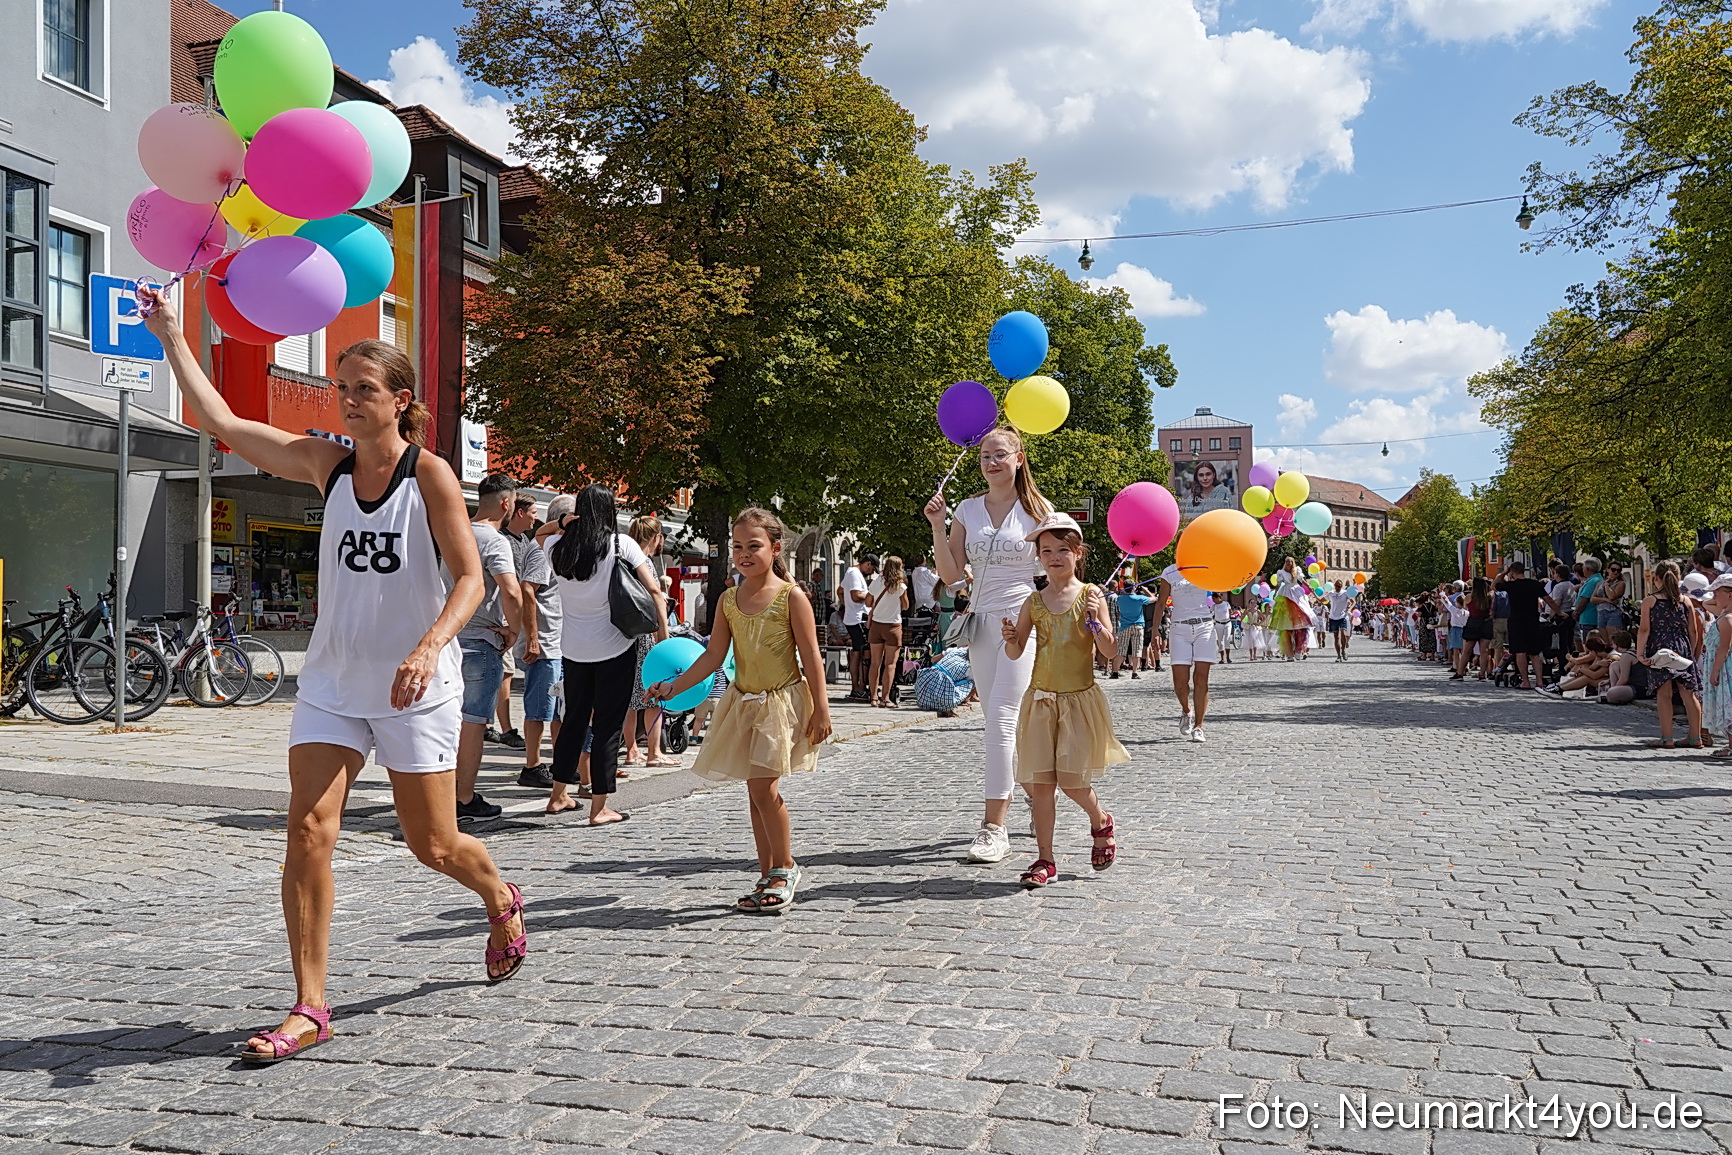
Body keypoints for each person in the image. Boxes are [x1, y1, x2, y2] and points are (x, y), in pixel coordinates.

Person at [141, 293, 527, 1062]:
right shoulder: (328, 466)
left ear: (400, 400)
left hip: (416, 686)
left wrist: (430, 647)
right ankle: (310, 1004)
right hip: (333, 683)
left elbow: (470, 579)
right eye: (341, 388)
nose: (348, 400)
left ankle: (499, 896)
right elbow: (224, 421)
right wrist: (172, 334)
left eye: (364, 389)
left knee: (434, 843)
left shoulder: (430, 476)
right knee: (308, 831)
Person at [648, 508, 832, 913]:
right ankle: (767, 874)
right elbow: (713, 656)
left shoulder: (791, 596)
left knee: (764, 789)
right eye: (737, 546)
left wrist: (822, 709)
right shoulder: (729, 600)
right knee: (755, 792)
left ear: (775, 548)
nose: (744, 554)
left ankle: (785, 868)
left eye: (754, 546)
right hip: (743, 702)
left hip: (780, 704)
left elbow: (811, 656)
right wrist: (673, 687)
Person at [925, 426, 1052, 864]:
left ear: (1018, 458)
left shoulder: (1039, 510)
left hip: (1022, 622)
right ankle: (1035, 792)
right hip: (980, 624)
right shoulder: (967, 508)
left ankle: (993, 827)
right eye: (984, 456)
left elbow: (1058, 567)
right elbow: (951, 575)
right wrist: (938, 526)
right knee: (1000, 720)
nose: (991, 462)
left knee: (1000, 715)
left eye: (1000, 454)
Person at [999, 514, 1127, 889]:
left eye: (1062, 550)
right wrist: (1010, 638)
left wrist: (1097, 625)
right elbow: (1015, 652)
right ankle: (1045, 858)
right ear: (1039, 556)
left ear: (1077, 553)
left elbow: (1110, 652)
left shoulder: (1091, 595)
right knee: (1041, 785)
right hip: (1040, 701)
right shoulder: (1034, 601)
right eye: (1046, 551)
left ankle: (1100, 820)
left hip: (1078, 703)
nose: (1054, 557)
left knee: (1072, 783)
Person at [544, 485, 668, 822]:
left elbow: (540, 533)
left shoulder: (557, 546)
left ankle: (558, 796)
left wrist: (564, 523)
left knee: (573, 722)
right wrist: (663, 637)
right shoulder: (620, 544)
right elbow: (653, 589)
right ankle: (599, 807)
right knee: (608, 726)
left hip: (573, 649)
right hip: (615, 646)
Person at [450, 473, 524, 821]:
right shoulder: (495, 541)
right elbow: (511, 590)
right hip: (481, 639)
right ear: (506, 504)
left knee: (447, 721)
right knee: (473, 723)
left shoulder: (454, 530)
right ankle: (463, 798)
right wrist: (514, 630)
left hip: (448, 637)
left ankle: (439, 795)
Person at [623, 516, 679, 769]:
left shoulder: (625, 561)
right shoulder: (645, 562)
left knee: (630, 699)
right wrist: (663, 636)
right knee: (654, 693)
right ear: (657, 538)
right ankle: (654, 752)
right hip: (646, 635)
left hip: (626, 635)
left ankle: (631, 750)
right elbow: (656, 600)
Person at [515, 506, 564, 789]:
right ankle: (532, 766)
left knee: (559, 709)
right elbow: (527, 589)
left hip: (559, 642)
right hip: (545, 643)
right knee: (539, 708)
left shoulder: (556, 548)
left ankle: (561, 763)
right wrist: (533, 637)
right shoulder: (541, 549)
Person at [1637, 560, 1705, 749]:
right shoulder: (1685, 600)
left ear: (1656, 578)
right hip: (1682, 647)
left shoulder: (1650, 601)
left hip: (1660, 648)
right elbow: (1693, 631)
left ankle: (1666, 738)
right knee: (1688, 694)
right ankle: (1695, 737)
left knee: (1663, 693)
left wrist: (1640, 653)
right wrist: (1691, 654)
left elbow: (1644, 629)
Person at [491, 495, 539, 750]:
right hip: (503, 614)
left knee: (503, 671)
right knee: (505, 672)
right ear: (520, 512)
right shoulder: (503, 540)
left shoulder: (526, 541)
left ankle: (487, 724)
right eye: (533, 512)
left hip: (515, 614)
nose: (535, 517)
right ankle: (505, 729)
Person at [1155, 561, 1216, 743]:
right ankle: (1186, 710)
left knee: (1201, 678)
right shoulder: (1169, 571)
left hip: (1204, 626)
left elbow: (1228, 574)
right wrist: (1155, 630)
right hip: (1179, 628)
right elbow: (1161, 602)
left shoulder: (1206, 568)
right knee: (1180, 682)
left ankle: (1199, 726)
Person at [1497, 561, 1557, 690]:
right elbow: (1549, 600)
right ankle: (1539, 681)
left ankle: (1525, 681)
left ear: (1512, 572)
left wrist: (1504, 573)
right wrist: (1559, 611)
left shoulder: (1511, 585)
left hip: (1516, 621)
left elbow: (1494, 585)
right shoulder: (1535, 584)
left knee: (1520, 652)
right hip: (1532, 621)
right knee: (1534, 652)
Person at [866, 555, 909, 708]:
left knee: (875, 663)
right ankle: (885, 698)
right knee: (890, 664)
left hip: (877, 625)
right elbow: (906, 606)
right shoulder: (901, 586)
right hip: (893, 626)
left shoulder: (876, 582)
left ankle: (873, 697)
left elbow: (868, 602)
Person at [1697, 575, 1732, 756]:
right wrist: (1718, 594)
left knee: (1728, 705)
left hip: (1725, 667)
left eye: (1717, 593)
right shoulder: (1724, 614)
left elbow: (1724, 648)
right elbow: (1706, 603)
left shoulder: (1727, 619)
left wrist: (1715, 671)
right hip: (1721, 664)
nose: (1714, 597)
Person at [839, 556, 875, 702]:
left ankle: (857, 687)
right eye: (872, 569)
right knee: (863, 653)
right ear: (868, 564)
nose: (871, 573)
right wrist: (872, 596)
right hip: (858, 619)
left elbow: (840, 591)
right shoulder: (854, 573)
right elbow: (855, 596)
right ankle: (859, 688)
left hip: (854, 617)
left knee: (856, 651)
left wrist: (846, 606)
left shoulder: (851, 572)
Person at [1270, 559, 1315, 659]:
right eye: (1287, 562)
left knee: (1301, 612)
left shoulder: (1297, 570)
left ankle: (1298, 651)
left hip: (1296, 591)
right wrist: (1275, 593)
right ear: (1285, 563)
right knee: (1286, 628)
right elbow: (1278, 584)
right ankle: (1289, 654)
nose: (1288, 563)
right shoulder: (1281, 572)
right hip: (1285, 592)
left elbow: (1302, 581)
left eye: (1290, 562)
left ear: (1292, 563)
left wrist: (1309, 587)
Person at [1458, 577, 1495, 680]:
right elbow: (1493, 589)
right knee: (1484, 651)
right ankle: (1482, 674)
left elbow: (1465, 606)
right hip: (1486, 622)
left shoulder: (1469, 597)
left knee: (1466, 651)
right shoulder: (1489, 596)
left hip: (1473, 623)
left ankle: (1460, 673)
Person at [1112, 580, 1150, 679]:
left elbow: (1119, 598)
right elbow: (1154, 599)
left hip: (1124, 626)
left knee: (1121, 650)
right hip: (1138, 626)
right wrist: (1145, 589)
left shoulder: (1120, 599)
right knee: (1137, 650)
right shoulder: (1139, 598)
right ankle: (1134, 672)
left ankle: (1115, 672)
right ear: (1134, 587)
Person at [1573, 557, 1604, 646]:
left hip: (1589, 617)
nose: (1582, 570)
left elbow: (1585, 599)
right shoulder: (1594, 579)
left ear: (1587, 569)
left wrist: (1577, 612)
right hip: (1589, 617)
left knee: (1589, 643)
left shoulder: (1593, 581)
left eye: (1583, 568)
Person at [1325, 580, 1355, 662]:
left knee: (1344, 634)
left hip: (1342, 617)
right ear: (1334, 586)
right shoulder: (1331, 593)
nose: (1338, 588)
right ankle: (1338, 655)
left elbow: (1353, 602)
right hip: (1333, 617)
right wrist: (1313, 593)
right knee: (1336, 637)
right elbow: (1321, 600)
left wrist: (1349, 608)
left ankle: (1343, 650)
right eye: (1337, 586)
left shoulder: (1345, 593)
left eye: (1340, 586)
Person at [1593, 562, 1627, 633]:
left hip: (1613, 612)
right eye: (1613, 569)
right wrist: (1605, 599)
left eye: (1618, 570)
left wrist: (1607, 585)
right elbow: (1593, 599)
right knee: (1603, 637)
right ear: (1608, 570)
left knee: (1613, 636)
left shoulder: (1621, 583)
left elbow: (1612, 597)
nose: (1615, 572)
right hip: (1601, 612)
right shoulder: (1600, 583)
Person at [1211, 594, 1234, 664]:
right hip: (1218, 624)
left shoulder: (1226, 604)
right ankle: (1222, 658)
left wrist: (1230, 614)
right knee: (1220, 640)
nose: (1213, 600)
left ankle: (1228, 657)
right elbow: (1210, 614)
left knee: (1227, 639)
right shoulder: (1214, 606)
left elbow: (1230, 611)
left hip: (1227, 623)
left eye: (1214, 598)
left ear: (1219, 598)